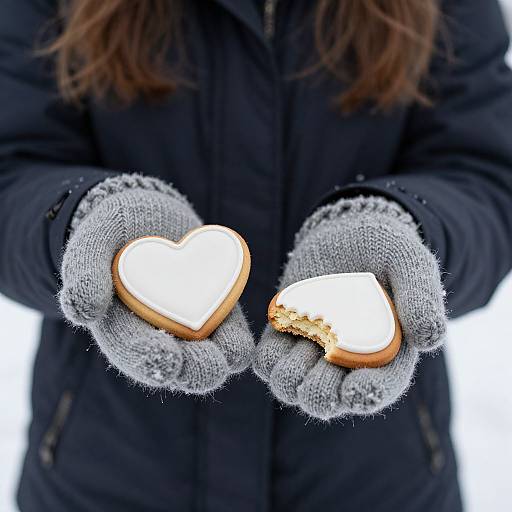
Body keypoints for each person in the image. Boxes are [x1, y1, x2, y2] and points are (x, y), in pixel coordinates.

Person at [1, 1, 511, 510]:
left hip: (373, 481)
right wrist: (82, 218)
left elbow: (485, 171)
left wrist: (408, 225)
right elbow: (12, 165)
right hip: (104, 473)